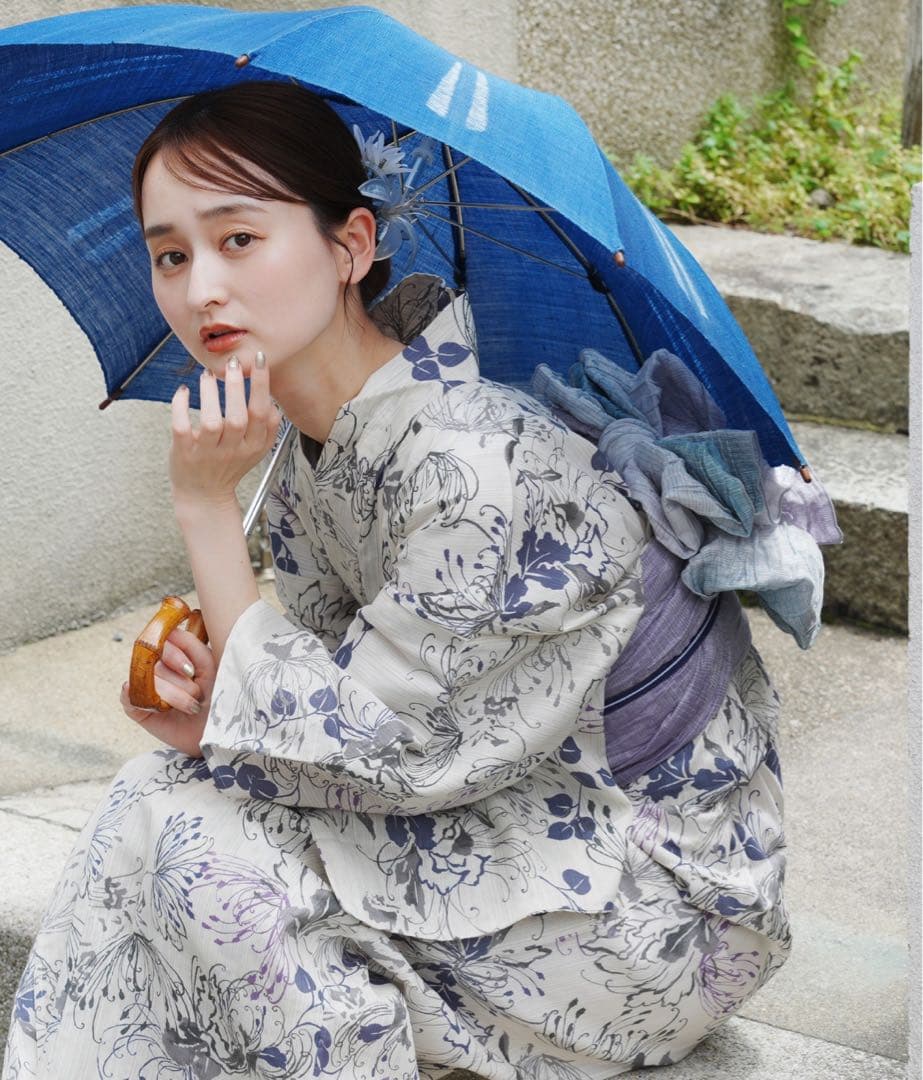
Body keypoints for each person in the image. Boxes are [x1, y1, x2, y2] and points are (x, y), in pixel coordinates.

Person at [4, 80, 801, 1079]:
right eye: (171, 254)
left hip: (653, 892)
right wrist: (216, 716)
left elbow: (380, 749)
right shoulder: (318, 445)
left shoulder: (473, 463)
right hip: (500, 805)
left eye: (238, 239)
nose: (200, 286)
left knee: (202, 849)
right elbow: (345, 695)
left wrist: (205, 510)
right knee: (151, 794)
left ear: (350, 246)